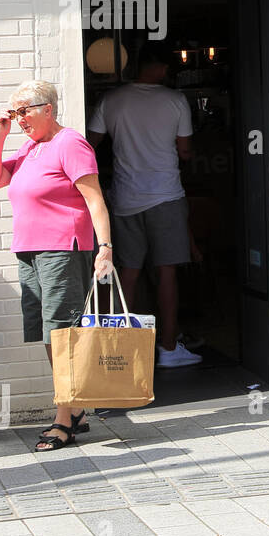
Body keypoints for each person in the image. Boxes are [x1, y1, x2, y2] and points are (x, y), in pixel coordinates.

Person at [0, 81, 113, 453]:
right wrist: (0, 133)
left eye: (24, 111)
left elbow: (95, 199)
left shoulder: (69, 144)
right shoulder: (28, 147)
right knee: (47, 333)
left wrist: (104, 247)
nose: (19, 118)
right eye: (14, 112)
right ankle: (75, 411)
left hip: (62, 250)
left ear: (48, 109)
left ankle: (63, 420)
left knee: (62, 335)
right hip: (30, 251)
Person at [87, 44, 201, 368]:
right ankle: (168, 347)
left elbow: (89, 145)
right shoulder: (176, 101)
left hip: (125, 198)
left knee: (128, 274)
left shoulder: (112, 100)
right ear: (164, 68)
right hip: (166, 195)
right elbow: (185, 150)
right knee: (167, 273)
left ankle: (118, 350)